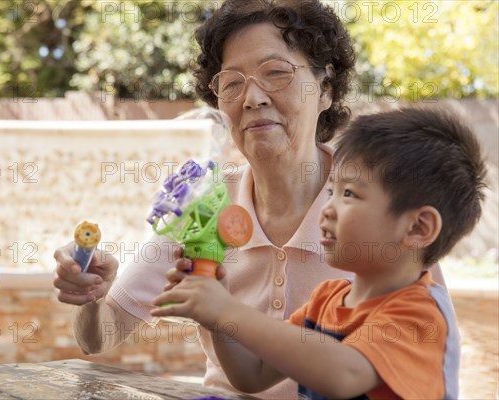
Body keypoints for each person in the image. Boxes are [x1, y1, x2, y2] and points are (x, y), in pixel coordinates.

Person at [53, 1, 443, 398]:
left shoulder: (381, 205)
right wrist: (92, 295)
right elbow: (100, 336)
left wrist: (221, 310)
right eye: (232, 83)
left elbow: (428, 364)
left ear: (324, 89)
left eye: (276, 73)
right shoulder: (202, 205)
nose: (252, 97)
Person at [151, 107, 487, 399]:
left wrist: (226, 310)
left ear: (417, 227)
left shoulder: (420, 315)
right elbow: (251, 376)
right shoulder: (326, 301)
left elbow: (343, 374)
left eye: (350, 194)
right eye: (332, 190)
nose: (327, 208)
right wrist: (218, 321)